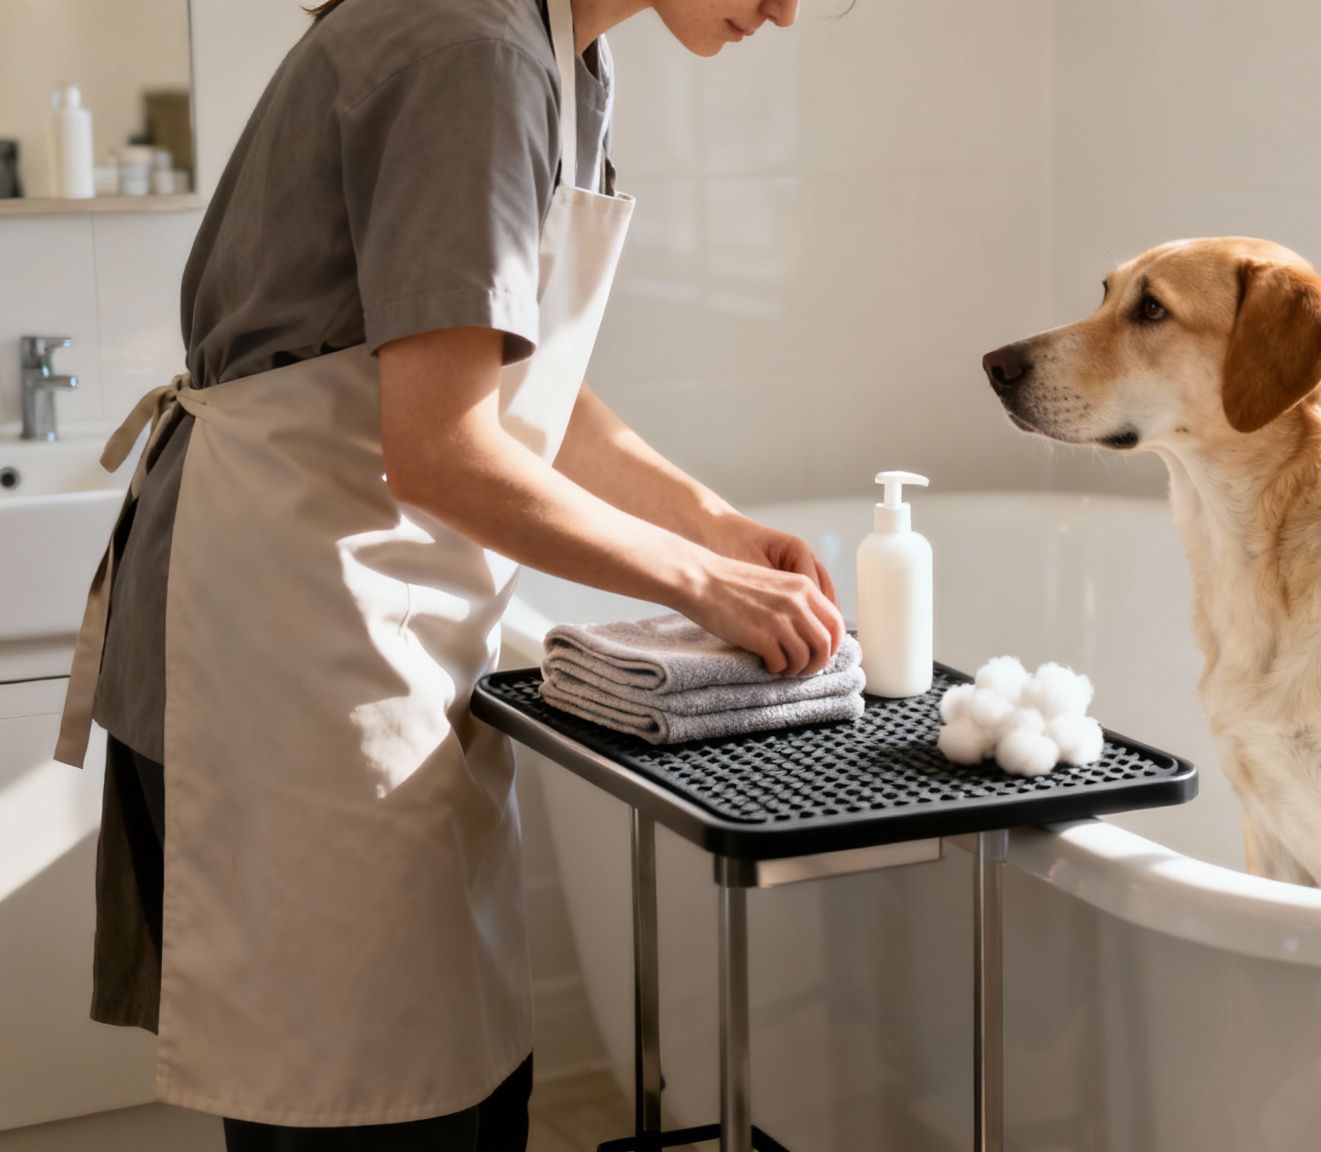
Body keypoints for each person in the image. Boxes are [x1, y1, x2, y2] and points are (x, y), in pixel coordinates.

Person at [52, 0, 839, 1147]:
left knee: (444, 1085)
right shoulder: (471, 51)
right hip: (292, 637)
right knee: (358, 1104)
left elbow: (509, 381)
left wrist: (714, 525)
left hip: (376, 624)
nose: (788, 7)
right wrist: (702, 586)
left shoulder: (562, 59)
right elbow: (446, 449)